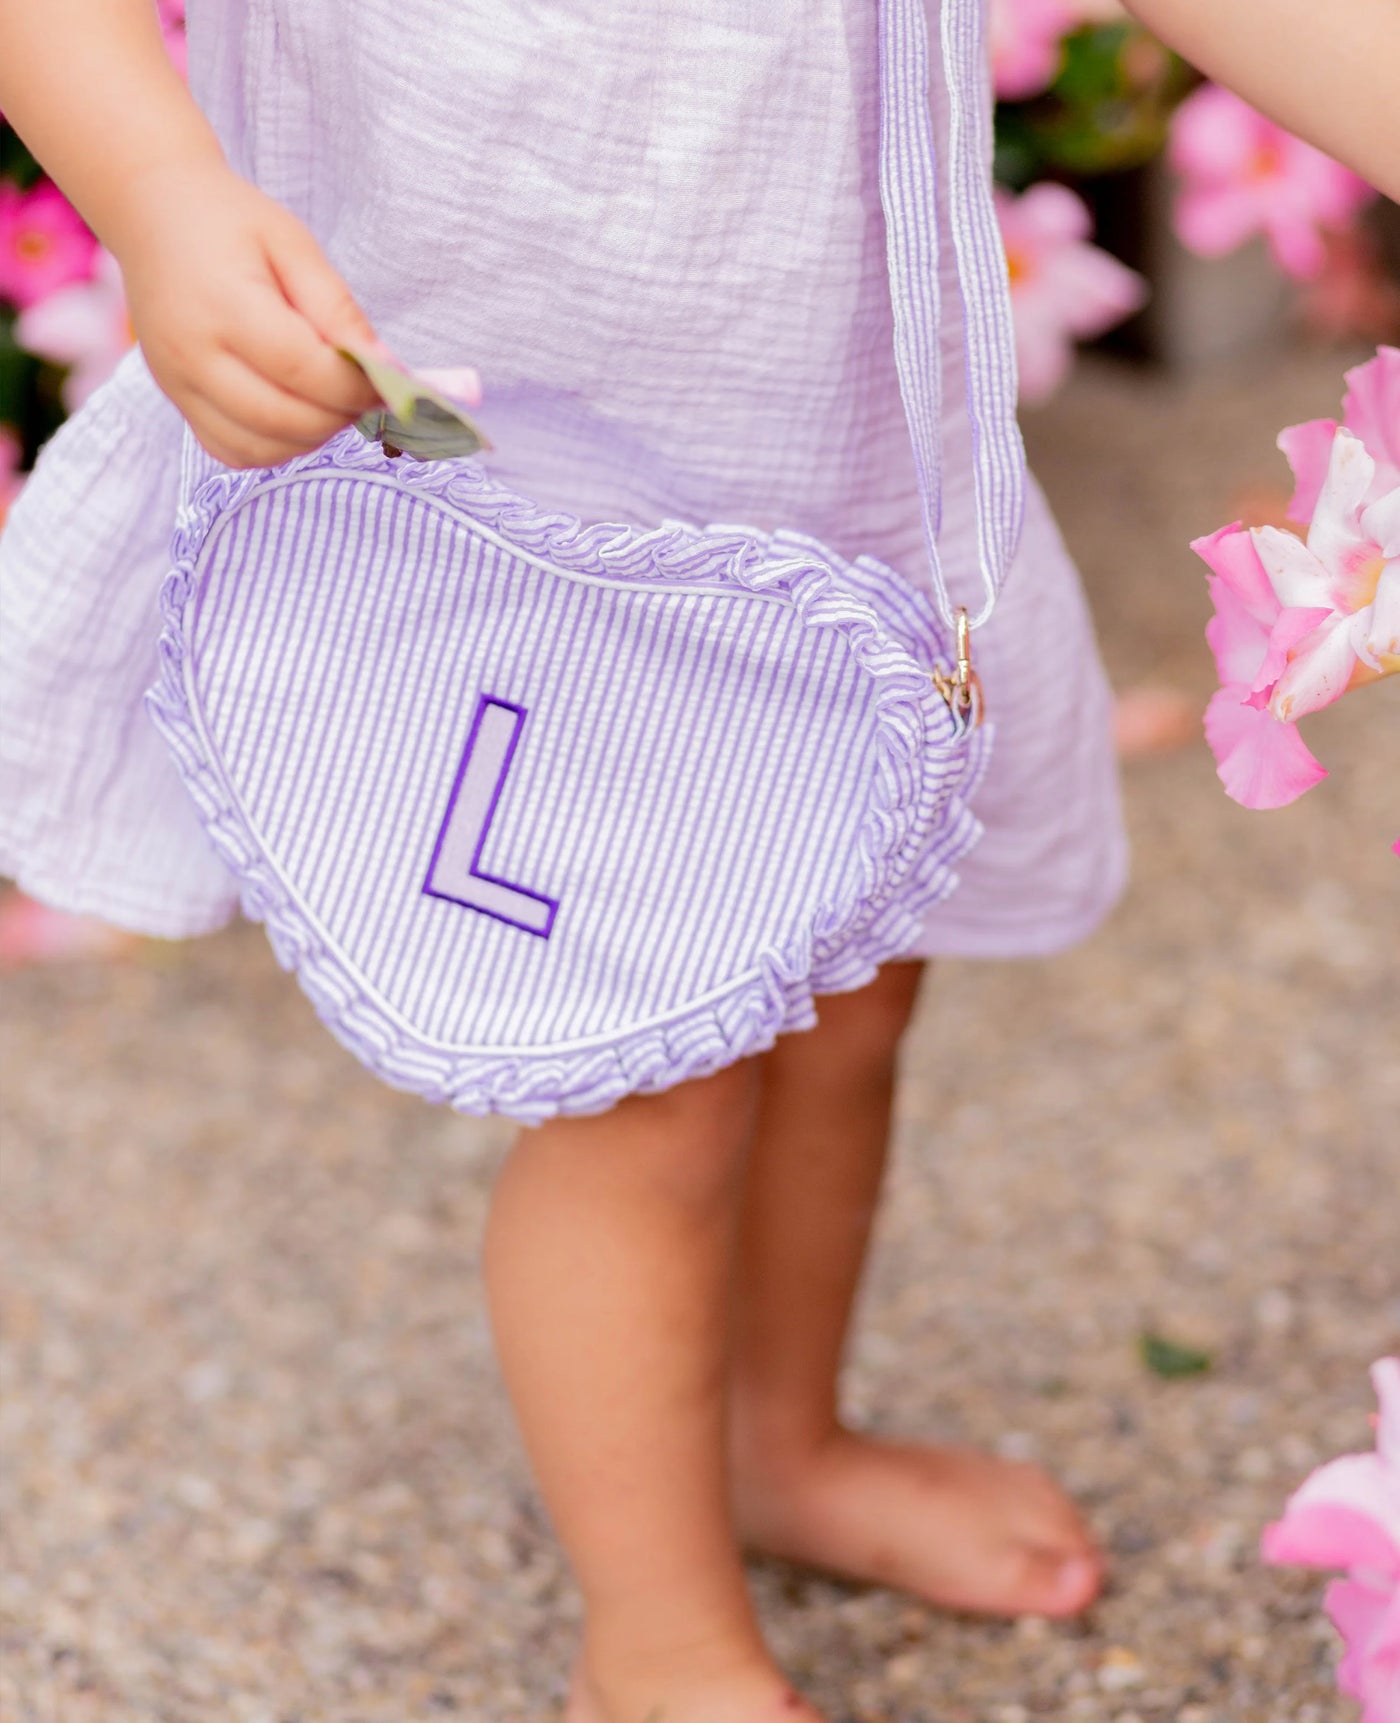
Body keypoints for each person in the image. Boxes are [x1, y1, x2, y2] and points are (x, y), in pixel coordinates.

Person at [1, 3, 1395, 1719]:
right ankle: (655, 1646)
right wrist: (157, 193)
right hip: (488, 460)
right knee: (647, 1097)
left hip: (831, 450)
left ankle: (773, 1442)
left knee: (858, 987)